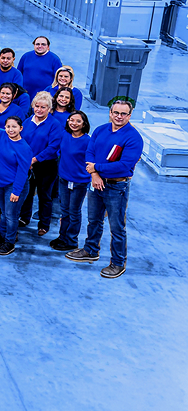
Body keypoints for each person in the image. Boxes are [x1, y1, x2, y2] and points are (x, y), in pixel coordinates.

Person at [65, 97, 143, 277]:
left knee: (117, 227)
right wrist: (94, 175)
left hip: (117, 187)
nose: (119, 116)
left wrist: (96, 168)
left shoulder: (133, 138)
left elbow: (125, 165)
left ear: (129, 116)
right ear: (110, 113)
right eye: (116, 112)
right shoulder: (100, 130)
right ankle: (91, 250)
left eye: (124, 114)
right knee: (94, 220)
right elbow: (89, 152)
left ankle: (117, 263)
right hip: (96, 183)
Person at [0, 117, 33, 256]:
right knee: (3, 212)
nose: (10, 130)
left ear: (21, 128)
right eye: (8, 126)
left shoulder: (24, 148)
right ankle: (2, 235)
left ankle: (10, 242)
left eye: (14, 127)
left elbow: (22, 172)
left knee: (11, 214)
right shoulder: (0, 134)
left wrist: (16, 191)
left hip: (14, 186)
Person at [20, 91, 62, 235]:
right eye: (36, 106)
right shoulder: (27, 122)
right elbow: (22, 142)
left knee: (44, 195)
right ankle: (24, 218)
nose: (39, 109)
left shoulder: (54, 125)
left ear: (49, 109)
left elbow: (53, 147)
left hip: (46, 166)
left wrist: (34, 159)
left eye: (43, 107)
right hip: (28, 164)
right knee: (27, 192)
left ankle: (44, 224)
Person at [49, 110, 91, 253]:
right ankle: (62, 237)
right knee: (64, 210)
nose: (74, 123)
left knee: (74, 211)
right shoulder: (64, 135)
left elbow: (91, 160)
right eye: (71, 120)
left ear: (84, 124)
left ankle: (72, 240)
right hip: (64, 179)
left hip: (79, 181)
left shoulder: (87, 141)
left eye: (78, 121)